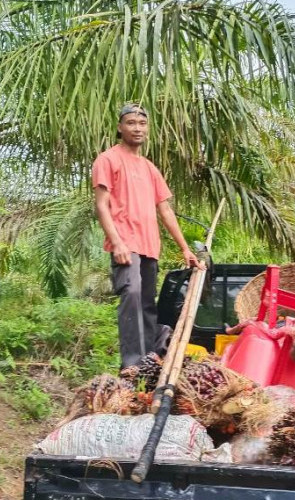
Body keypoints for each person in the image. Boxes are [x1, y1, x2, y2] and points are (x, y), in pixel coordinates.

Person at [92, 104, 203, 369]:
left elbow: (165, 210)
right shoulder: (107, 159)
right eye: (131, 123)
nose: (137, 128)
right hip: (125, 243)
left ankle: (152, 359)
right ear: (120, 127)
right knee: (131, 292)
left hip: (149, 245)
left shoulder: (150, 168)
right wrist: (117, 242)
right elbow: (101, 205)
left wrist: (186, 249)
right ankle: (132, 366)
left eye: (142, 124)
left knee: (146, 303)